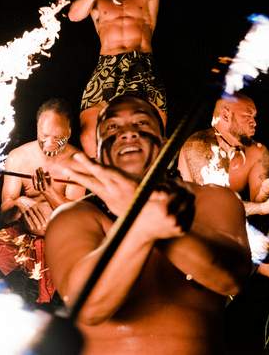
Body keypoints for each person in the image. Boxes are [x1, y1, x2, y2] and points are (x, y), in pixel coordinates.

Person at [45, 95, 252, 355]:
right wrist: (141, 226)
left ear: (166, 144)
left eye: (141, 124)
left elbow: (232, 278)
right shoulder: (74, 217)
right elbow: (87, 306)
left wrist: (155, 220)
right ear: (97, 153)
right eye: (112, 128)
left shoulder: (213, 199)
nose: (128, 133)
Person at [179, 93, 269, 355]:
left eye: (255, 116)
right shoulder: (199, 145)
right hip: (197, 230)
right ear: (225, 115)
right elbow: (213, 208)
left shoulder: (258, 152)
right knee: (204, 305)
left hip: (237, 230)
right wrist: (261, 208)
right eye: (247, 115)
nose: (255, 121)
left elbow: (257, 196)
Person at [68, 0, 174, 158]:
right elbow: (74, 15)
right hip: (107, 63)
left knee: (151, 130)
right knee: (89, 133)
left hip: (141, 62)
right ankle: (103, 185)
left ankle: (144, 181)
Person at [0, 99, 85, 304]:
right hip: (21, 236)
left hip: (59, 241)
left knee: (50, 303)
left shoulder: (78, 161)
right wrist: (19, 202)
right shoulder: (18, 157)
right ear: (37, 128)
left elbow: (74, 216)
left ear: (68, 132)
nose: (50, 143)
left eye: (57, 137)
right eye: (44, 136)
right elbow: (5, 214)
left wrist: (49, 191)